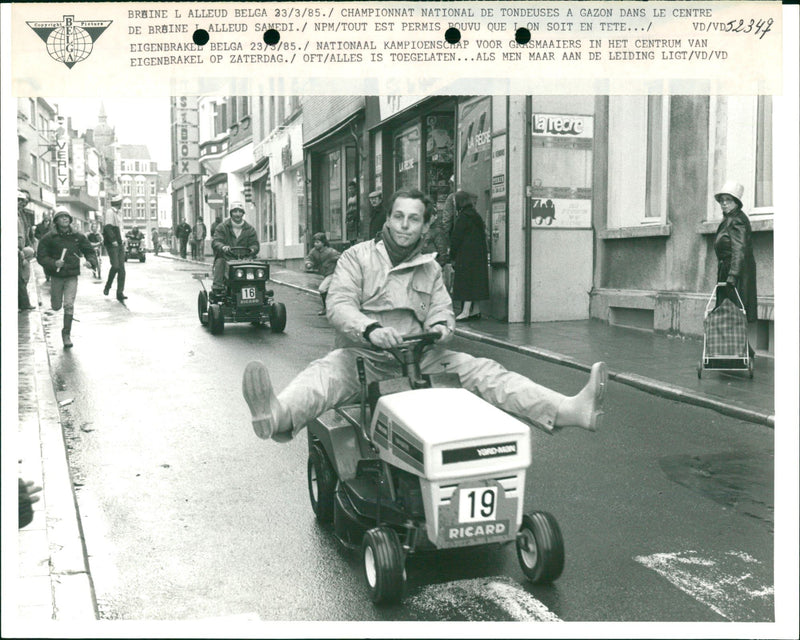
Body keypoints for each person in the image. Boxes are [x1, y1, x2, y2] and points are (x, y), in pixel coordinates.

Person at [242, 187, 607, 443]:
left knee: (486, 373)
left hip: (424, 358)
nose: (404, 225)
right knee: (323, 376)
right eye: (398, 216)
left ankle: (570, 410)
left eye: (413, 219)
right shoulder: (357, 257)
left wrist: (442, 328)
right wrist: (369, 330)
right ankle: (277, 415)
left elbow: (442, 310)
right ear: (388, 219)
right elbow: (339, 305)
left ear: (425, 226)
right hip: (365, 358)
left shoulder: (431, 269)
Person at [36, 206, 99, 348]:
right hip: (57, 276)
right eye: (61, 217)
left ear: (70, 220)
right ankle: (56, 305)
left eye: (67, 217)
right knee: (56, 306)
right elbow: (41, 257)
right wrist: (53, 263)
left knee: (69, 304)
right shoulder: (49, 238)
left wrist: (91, 262)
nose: (65, 219)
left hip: (72, 275)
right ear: (56, 220)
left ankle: (66, 334)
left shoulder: (78, 237)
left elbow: (89, 251)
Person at [713, 180, 758, 356]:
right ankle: (733, 350)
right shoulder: (730, 218)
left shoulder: (737, 220)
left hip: (735, 274)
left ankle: (742, 352)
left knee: (733, 311)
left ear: (736, 202)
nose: (724, 203)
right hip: (728, 270)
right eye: (722, 200)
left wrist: (732, 275)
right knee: (728, 311)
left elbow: (739, 250)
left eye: (728, 200)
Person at [450, 190, 489, 321]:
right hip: (479, 255)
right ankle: (476, 310)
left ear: (459, 202)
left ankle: (466, 311)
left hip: (466, 255)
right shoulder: (476, 216)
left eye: (455, 201)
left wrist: (452, 255)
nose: (454, 203)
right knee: (477, 282)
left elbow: (456, 238)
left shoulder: (463, 217)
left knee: (466, 282)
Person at [211, 202, 259, 297]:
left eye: (240, 211)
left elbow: (255, 244)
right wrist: (223, 247)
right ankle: (218, 287)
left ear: (243, 213)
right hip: (227, 258)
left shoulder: (250, 229)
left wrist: (253, 249)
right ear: (231, 213)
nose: (237, 214)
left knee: (257, 267)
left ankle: (258, 288)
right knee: (220, 261)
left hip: (245, 259)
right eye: (235, 211)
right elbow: (216, 241)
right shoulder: (222, 227)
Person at [304, 232, 341, 316]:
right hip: (325, 274)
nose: (315, 244)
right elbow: (309, 258)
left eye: (318, 242)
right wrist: (308, 263)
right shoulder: (314, 251)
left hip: (333, 273)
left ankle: (326, 308)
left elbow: (341, 258)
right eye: (315, 242)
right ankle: (331, 308)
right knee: (331, 291)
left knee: (322, 289)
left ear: (323, 242)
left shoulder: (331, 252)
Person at [102, 197, 127, 302]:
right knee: (116, 266)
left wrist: (124, 238)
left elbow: (121, 229)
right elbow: (108, 227)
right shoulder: (110, 212)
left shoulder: (119, 213)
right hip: (113, 244)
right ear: (118, 203)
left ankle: (120, 293)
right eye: (121, 202)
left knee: (122, 270)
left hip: (120, 243)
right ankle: (108, 286)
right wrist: (113, 240)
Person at [18, 191, 36, 311]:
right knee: (19, 278)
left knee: (24, 277)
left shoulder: (23, 214)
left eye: (25, 201)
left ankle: (23, 302)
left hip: (23, 249)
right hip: (18, 250)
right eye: (20, 200)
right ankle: (22, 303)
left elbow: (26, 232)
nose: (22, 203)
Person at [345, 179, 360, 243]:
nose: (350, 190)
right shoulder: (349, 199)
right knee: (351, 239)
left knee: (355, 238)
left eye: (352, 188)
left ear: (355, 189)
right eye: (349, 189)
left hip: (355, 220)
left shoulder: (357, 198)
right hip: (350, 221)